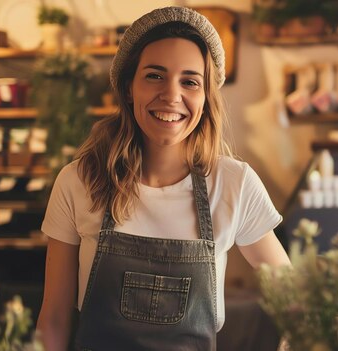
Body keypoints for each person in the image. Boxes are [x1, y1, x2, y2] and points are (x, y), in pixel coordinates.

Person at [36, 6, 290, 351]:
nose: (171, 95)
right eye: (155, 76)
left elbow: (297, 299)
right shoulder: (79, 181)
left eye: (189, 81)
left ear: (205, 97)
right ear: (128, 88)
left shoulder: (234, 184)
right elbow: (53, 318)